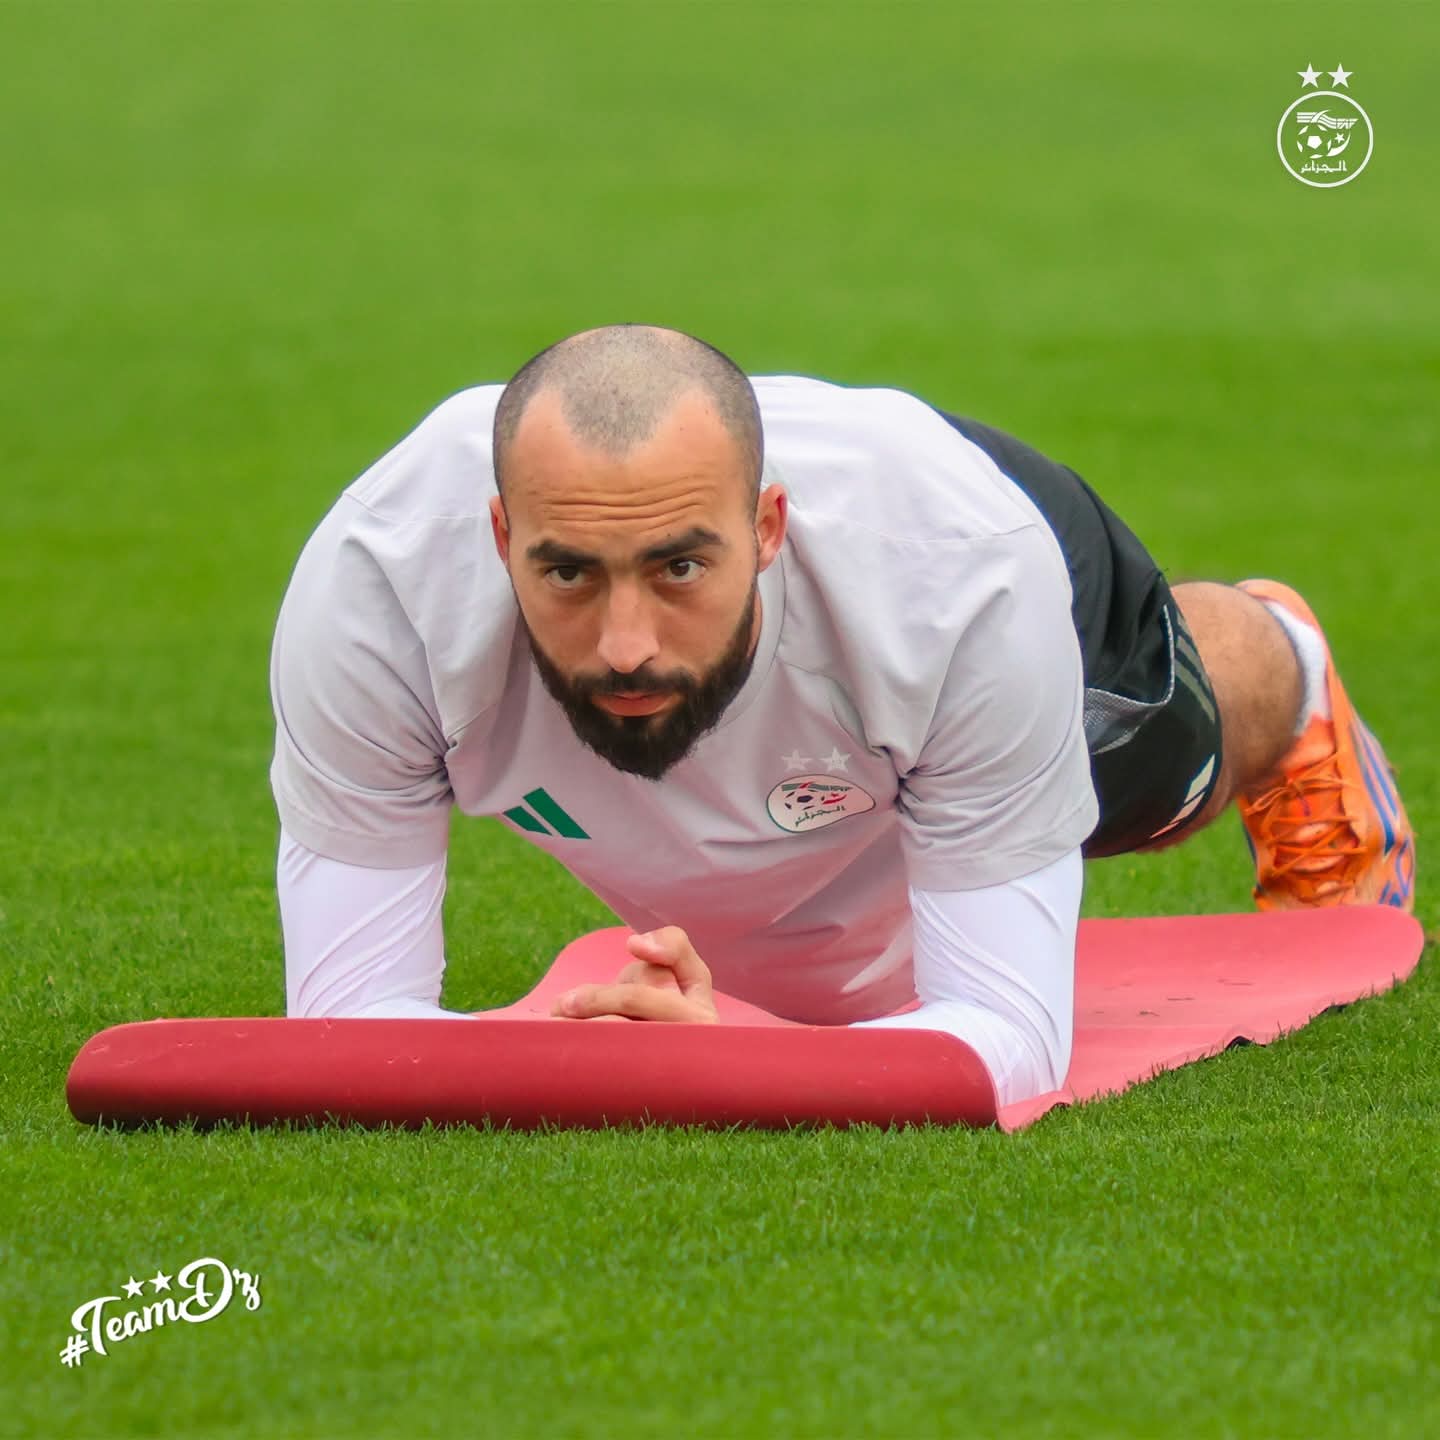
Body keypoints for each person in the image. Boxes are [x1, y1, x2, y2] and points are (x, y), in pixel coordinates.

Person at [268, 324, 1415, 1108]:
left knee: (1157, 784)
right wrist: (633, 1055)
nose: (625, 642)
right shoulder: (379, 594)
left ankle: (1291, 665)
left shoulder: (959, 575)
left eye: (678, 568)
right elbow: (346, 1022)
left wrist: (736, 1059)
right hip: (844, 702)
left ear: (769, 530)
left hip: (977, 566)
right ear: (500, 537)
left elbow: (1009, 1035)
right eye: (568, 573)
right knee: (827, 988)